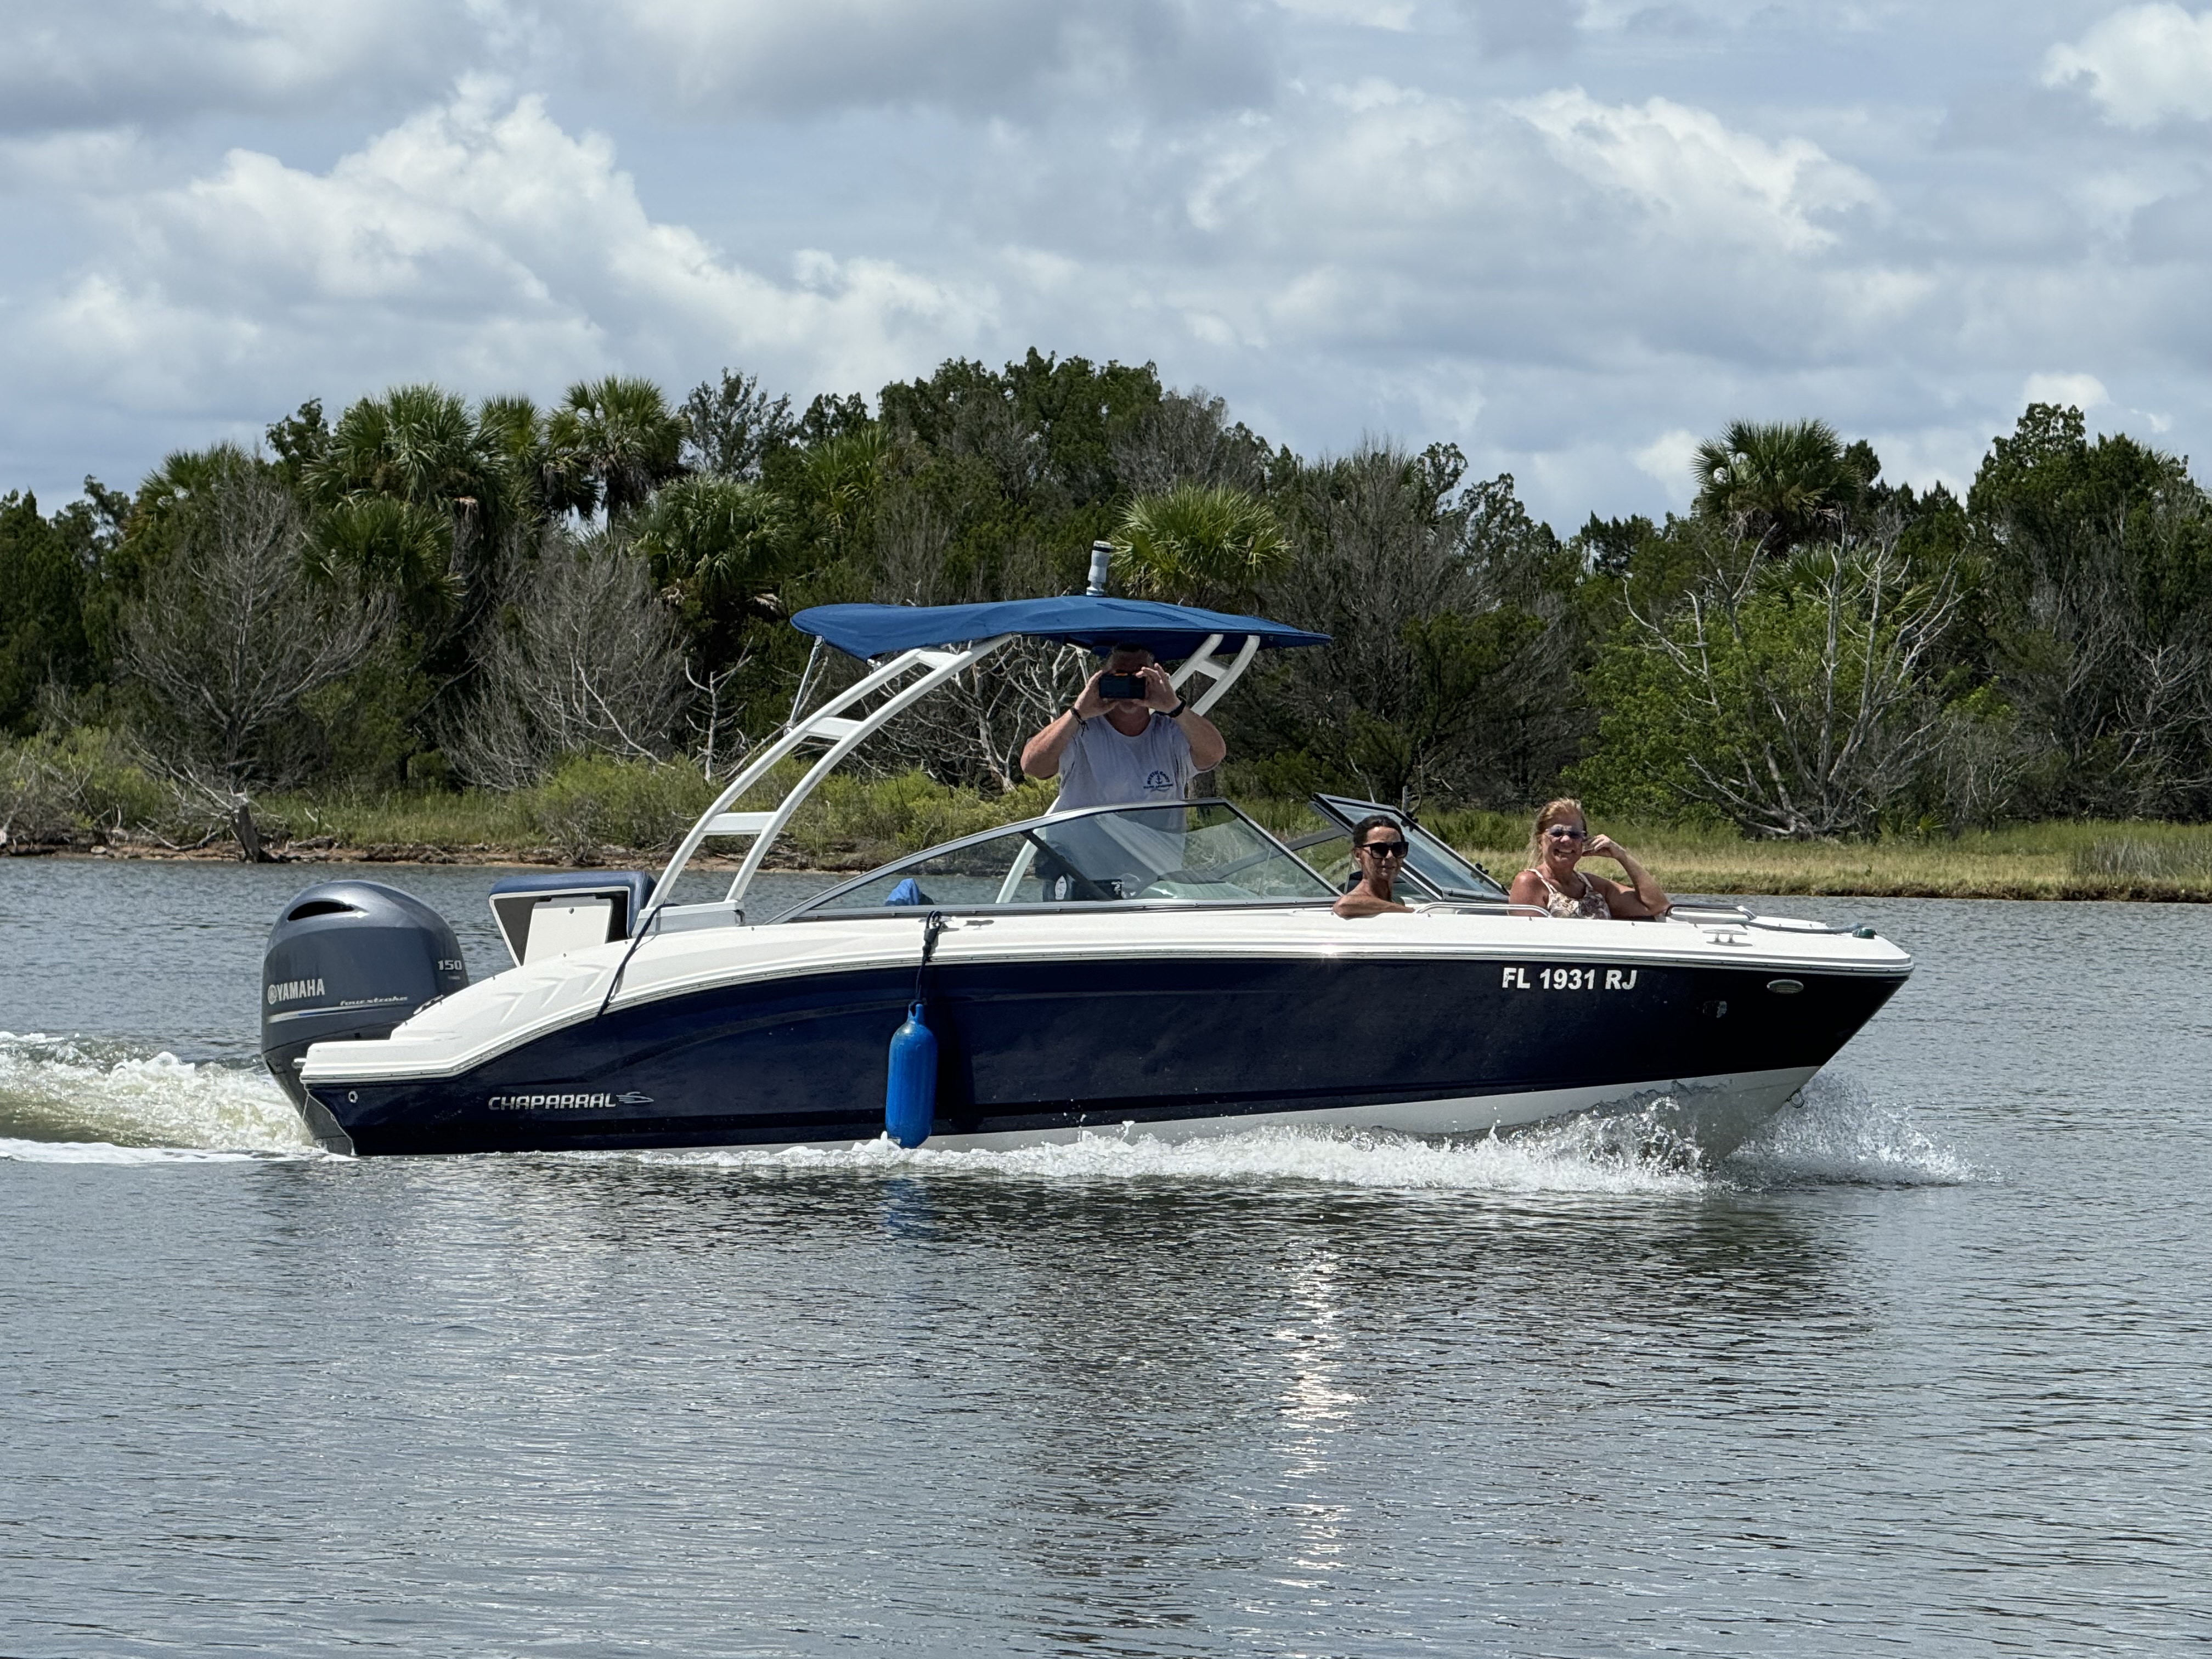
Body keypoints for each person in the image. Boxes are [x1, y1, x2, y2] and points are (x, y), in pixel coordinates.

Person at [1019, 642, 1227, 810]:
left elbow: (1214, 754)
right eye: (1119, 676)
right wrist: (1078, 712)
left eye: (1139, 676)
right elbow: (1033, 766)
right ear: (1101, 679)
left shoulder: (1171, 732)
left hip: (1152, 859)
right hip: (1073, 858)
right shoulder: (1080, 731)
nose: (1129, 683)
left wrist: (1174, 706)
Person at [1508, 798, 1671, 919]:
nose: (1566, 840)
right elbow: (1532, 944)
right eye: (1557, 833)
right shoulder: (1529, 882)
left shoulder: (1594, 886)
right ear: (1540, 840)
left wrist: (1622, 855)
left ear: (1584, 841)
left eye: (1574, 834)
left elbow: (1656, 905)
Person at [1334, 815, 1413, 918]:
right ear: (1358, 855)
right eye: (1379, 849)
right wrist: (1408, 912)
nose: (1391, 856)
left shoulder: (1396, 902)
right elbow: (1344, 905)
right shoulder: (1355, 903)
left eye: (1398, 849)